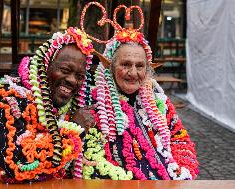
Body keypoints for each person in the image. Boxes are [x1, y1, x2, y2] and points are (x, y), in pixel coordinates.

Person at [0, 27, 95, 183]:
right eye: (65, 70)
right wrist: (73, 129)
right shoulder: (6, 98)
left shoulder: (68, 105)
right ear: (45, 65)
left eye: (79, 76)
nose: (72, 80)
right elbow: (16, 165)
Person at [78, 3, 199, 180]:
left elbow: (180, 140)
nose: (133, 73)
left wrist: (181, 172)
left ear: (148, 69)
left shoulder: (160, 103)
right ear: (110, 67)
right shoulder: (93, 105)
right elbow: (88, 162)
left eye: (140, 66)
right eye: (125, 64)